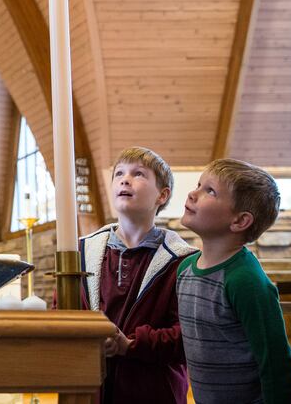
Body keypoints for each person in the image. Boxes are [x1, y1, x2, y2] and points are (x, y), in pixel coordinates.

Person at [177, 158, 291, 403]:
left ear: (240, 221)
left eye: (209, 191)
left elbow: (277, 365)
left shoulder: (246, 281)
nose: (192, 194)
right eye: (199, 185)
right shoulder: (185, 270)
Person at [78, 146, 195, 404]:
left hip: (153, 390)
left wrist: (130, 344)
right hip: (91, 389)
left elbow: (188, 335)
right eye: (119, 173)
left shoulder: (182, 260)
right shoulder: (83, 252)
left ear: (162, 195)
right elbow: (64, 312)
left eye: (138, 174)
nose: (125, 179)